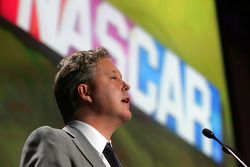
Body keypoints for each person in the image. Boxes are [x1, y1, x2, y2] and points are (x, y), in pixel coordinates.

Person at [20, 47, 132, 167]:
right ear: (85, 92)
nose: (126, 85)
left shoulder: (111, 161)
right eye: (114, 78)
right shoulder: (54, 141)